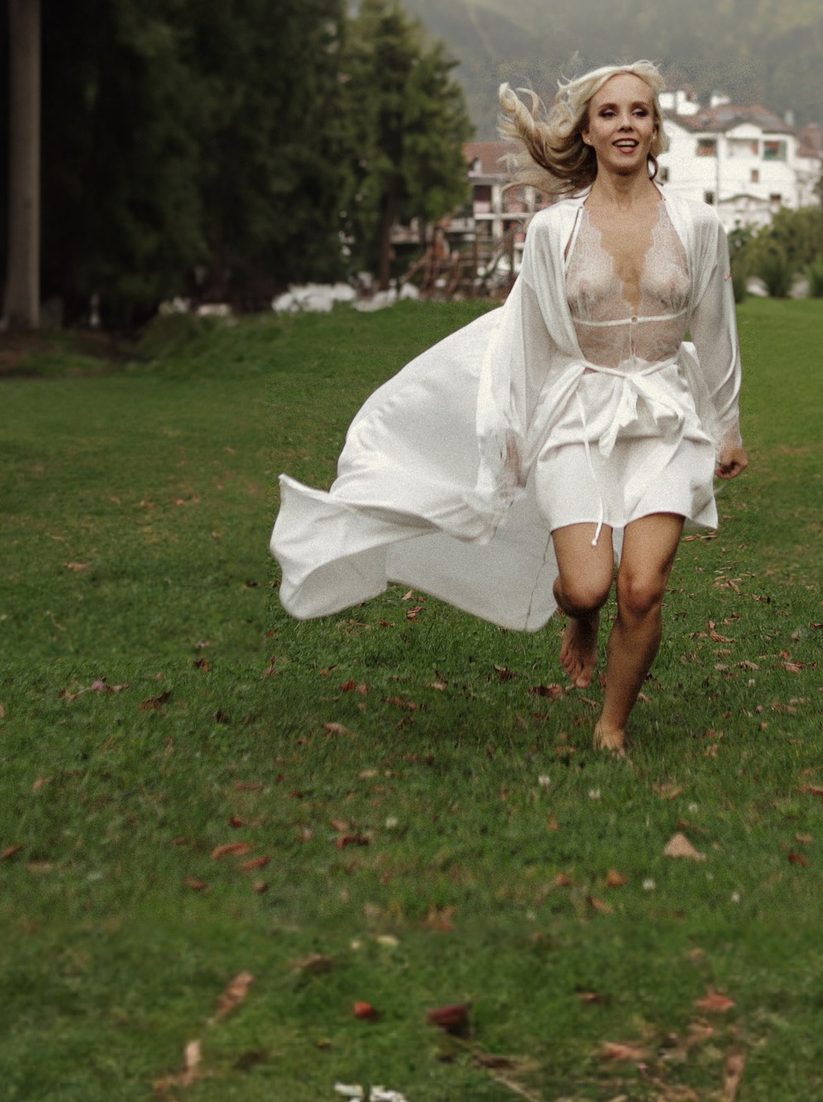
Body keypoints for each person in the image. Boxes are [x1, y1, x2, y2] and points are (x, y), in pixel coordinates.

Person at [268, 63, 747, 754]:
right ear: (588, 132)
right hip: (577, 418)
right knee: (587, 587)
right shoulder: (553, 231)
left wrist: (727, 427)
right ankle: (579, 616)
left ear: (656, 129)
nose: (625, 125)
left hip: (665, 418)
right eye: (609, 113)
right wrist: (506, 451)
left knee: (642, 589)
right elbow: (524, 346)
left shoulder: (697, 224)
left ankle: (612, 725)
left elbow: (715, 330)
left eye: (639, 112)